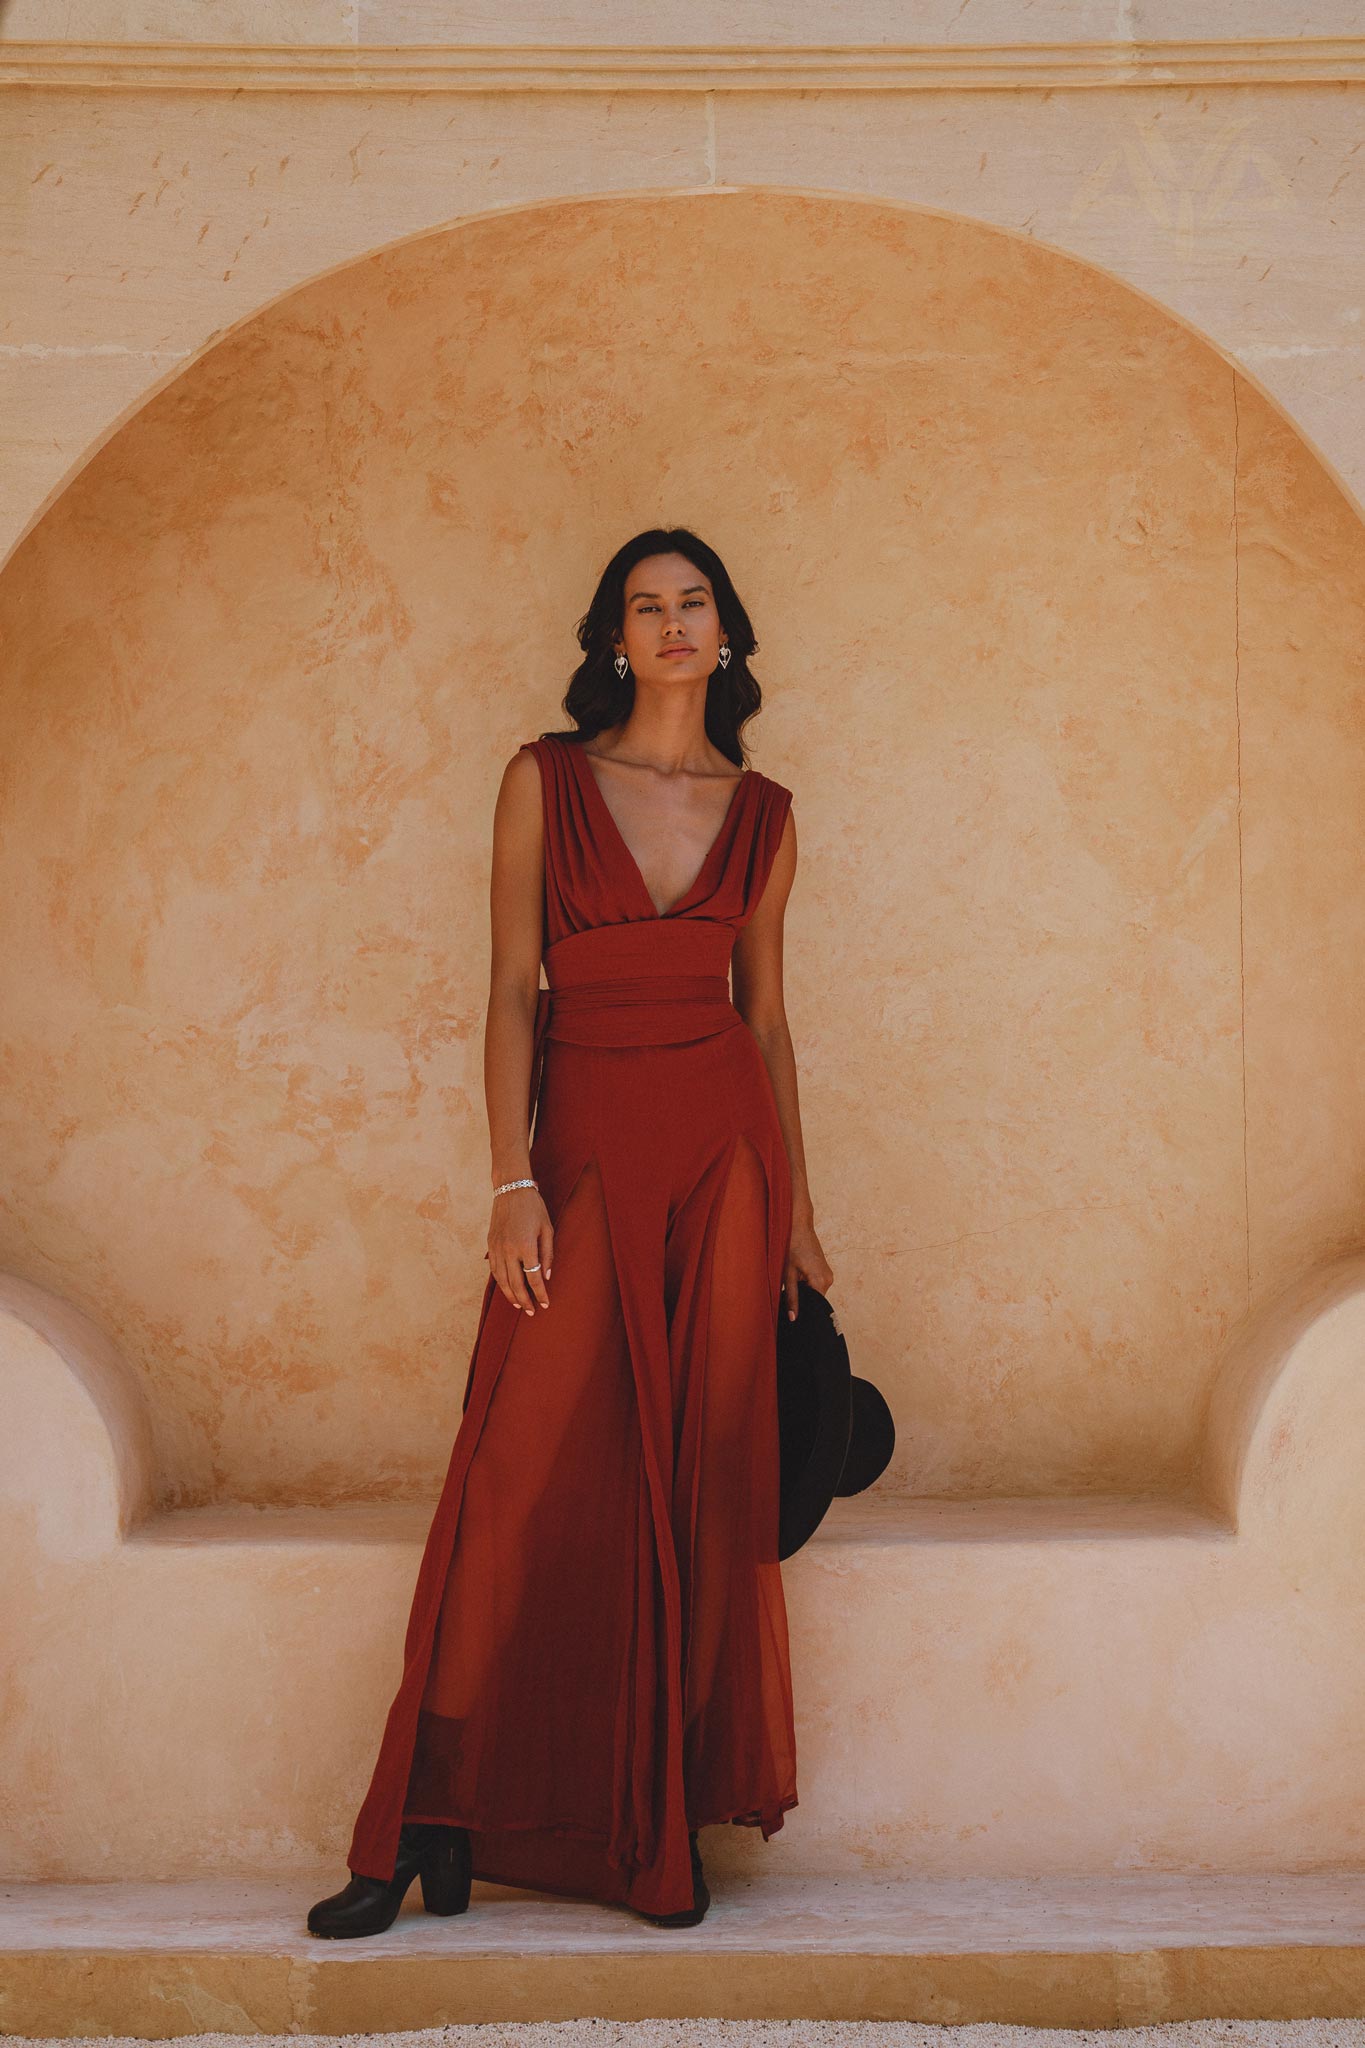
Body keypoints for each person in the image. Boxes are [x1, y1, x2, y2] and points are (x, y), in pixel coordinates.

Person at [307, 527, 834, 1939]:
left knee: (690, 1480)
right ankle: (424, 1818)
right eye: (644, 606)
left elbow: (768, 1023)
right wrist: (506, 1179)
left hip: (724, 1161)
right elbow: (506, 993)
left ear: (726, 632)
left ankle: (655, 1819)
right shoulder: (544, 780)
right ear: (611, 635)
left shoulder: (768, 810)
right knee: (515, 1470)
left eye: (692, 603)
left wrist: (799, 1215)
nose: (670, 624)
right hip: (583, 1154)